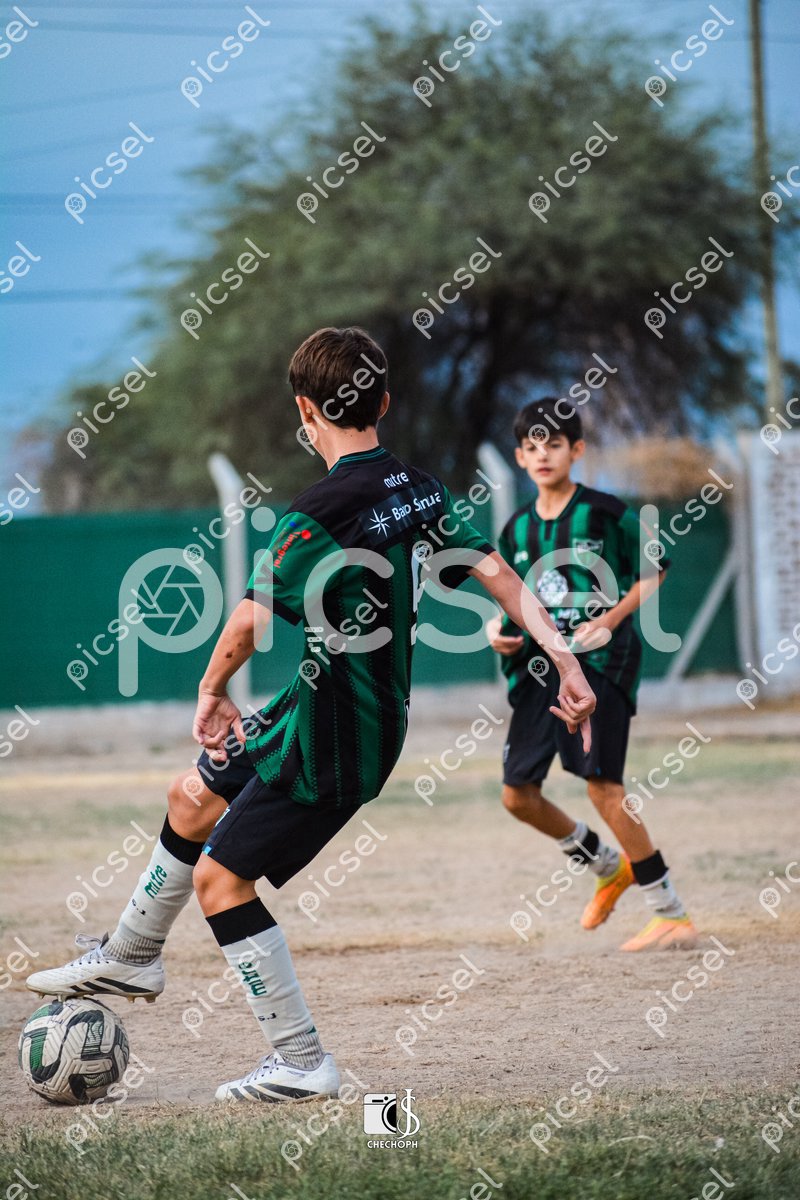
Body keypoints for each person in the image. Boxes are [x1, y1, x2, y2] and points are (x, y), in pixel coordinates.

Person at [28, 329, 596, 1102]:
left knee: (222, 882)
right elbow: (500, 577)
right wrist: (566, 660)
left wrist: (210, 690)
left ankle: (302, 1062)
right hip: (319, 706)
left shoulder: (317, 512)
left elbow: (245, 622)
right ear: (383, 402)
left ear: (304, 410)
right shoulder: (420, 488)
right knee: (190, 797)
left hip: (339, 735)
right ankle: (132, 955)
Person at [487, 397, 697, 951]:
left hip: (602, 661)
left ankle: (670, 912)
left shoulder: (604, 511)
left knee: (603, 786)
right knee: (517, 796)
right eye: (531, 447)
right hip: (540, 668)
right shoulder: (515, 528)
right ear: (519, 456)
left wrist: (609, 619)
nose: (543, 455)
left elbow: (654, 568)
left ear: (576, 450)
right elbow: (509, 598)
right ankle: (607, 865)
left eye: (554, 444)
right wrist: (496, 630)